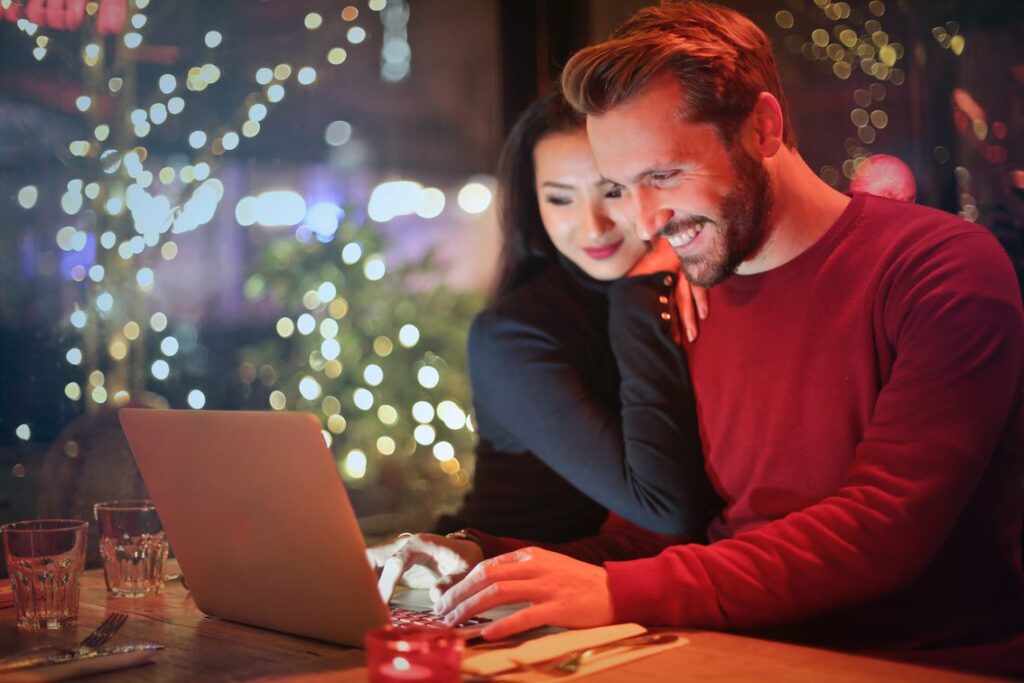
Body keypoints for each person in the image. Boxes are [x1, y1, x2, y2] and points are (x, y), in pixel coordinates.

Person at [371, 1, 1024, 674]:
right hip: (725, 649)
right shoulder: (685, 291)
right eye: (622, 187)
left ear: (763, 128)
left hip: (918, 660)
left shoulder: (940, 269)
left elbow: (884, 527)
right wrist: (485, 561)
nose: (644, 220)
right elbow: (656, 539)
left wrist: (618, 589)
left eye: (663, 175)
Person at [371, 90, 719, 597]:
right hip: (483, 587)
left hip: (599, 591)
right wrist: (642, 289)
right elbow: (667, 508)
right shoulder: (513, 335)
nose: (591, 225)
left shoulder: (688, 288)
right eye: (559, 198)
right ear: (534, 206)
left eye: (611, 192)